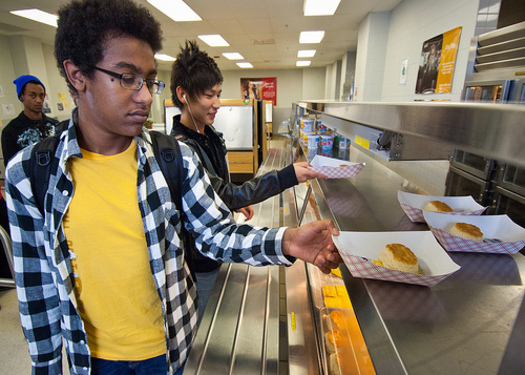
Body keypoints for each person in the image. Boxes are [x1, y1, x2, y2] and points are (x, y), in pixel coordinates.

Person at [4, 1, 341, 374]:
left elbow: (216, 234)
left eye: (149, 80)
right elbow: (37, 290)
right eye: (127, 77)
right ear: (77, 74)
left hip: (171, 351)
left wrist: (286, 241)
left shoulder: (173, 158)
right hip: (92, 361)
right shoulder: (32, 174)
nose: (146, 96)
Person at [170, 40, 327, 321]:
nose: (217, 104)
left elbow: (217, 191)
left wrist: (229, 206)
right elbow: (224, 194)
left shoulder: (210, 136)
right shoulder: (180, 150)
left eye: (218, 94)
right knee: (206, 318)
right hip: (201, 258)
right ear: (183, 94)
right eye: (209, 95)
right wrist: (287, 176)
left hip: (224, 242)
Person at [1, 75, 59, 166]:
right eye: (33, 96)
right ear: (22, 97)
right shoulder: (11, 131)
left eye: (41, 96)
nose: (39, 100)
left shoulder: (55, 125)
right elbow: (11, 168)